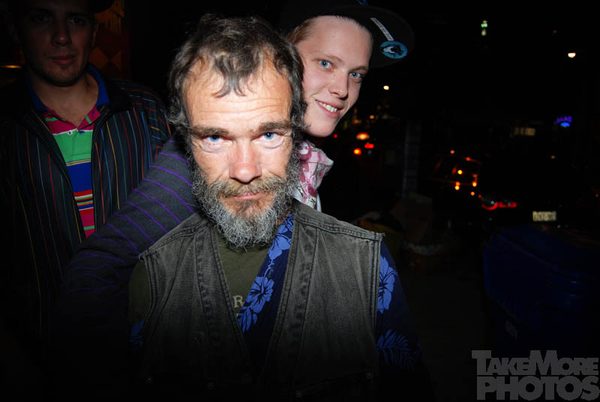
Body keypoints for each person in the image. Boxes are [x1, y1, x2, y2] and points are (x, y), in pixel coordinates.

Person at [126, 13, 425, 401]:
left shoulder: (316, 170)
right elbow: (109, 261)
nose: (342, 89)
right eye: (325, 63)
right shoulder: (183, 173)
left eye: (356, 74)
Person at [0, 0, 171, 390]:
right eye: (41, 17)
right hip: (44, 363)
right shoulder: (6, 128)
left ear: (93, 31)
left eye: (75, 20)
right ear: (15, 30)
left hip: (147, 356)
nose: (61, 36)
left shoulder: (144, 111)